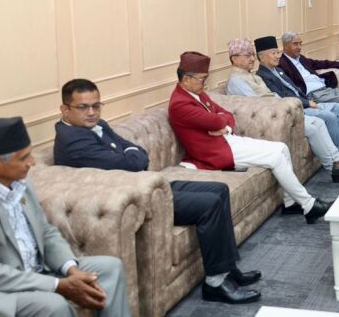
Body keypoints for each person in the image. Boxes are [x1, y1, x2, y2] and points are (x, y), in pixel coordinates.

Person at [53, 79, 261, 304]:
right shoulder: (72, 141)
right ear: (65, 110)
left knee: (219, 189)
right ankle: (216, 283)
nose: (92, 112)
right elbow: (132, 161)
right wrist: (131, 155)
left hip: (146, 185)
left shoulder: (98, 125)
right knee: (209, 204)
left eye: (96, 105)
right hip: (133, 199)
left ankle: (227, 269)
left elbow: (136, 153)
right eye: (83, 107)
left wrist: (131, 154)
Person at [0, 117, 131, 316]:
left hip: (36, 270)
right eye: (24, 157)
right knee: (53, 306)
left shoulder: (21, 183)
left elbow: (45, 231)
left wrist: (71, 269)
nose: (32, 162)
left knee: (110, 268)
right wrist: (57, 285)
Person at [168, 51, 332, 224]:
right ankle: (309, 205)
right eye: (202, 79)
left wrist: (224, 127)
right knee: (275, 156)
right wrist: (221, 122)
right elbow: (217, 120)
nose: (206, 83)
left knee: (282, 147)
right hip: (214, 152)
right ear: (186, 79)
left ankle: (290, 203)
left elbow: (226, 114)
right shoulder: (180, 103)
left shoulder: (197, 93)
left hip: (226, 140)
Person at [225, 37, 339, 182]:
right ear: (234, 58)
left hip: (280, 109)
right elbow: (257, 104)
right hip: (271, 118)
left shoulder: (250, 75)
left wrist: (288, 104)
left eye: (252, 55)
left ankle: (338, 160)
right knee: (314, 125)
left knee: (318, 123)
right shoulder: (237, 80)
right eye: (248, 56)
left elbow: (273, 95)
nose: (253, 59)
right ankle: (334, 165)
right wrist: (287, 106)